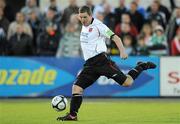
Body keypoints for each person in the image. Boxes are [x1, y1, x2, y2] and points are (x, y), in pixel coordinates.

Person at [57, 6, 156, 121]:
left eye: (85, 17)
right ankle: (73, 115)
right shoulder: (83, 24)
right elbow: (75, 17)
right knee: (77, 88)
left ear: (91, 16)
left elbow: (116, 38)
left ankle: (142, 66)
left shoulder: (99, 26)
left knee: (127, 83)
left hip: (102, 61)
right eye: (81, 17)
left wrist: (122, 52)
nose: (83, 20)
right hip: (89, 65)